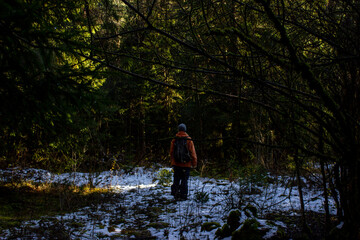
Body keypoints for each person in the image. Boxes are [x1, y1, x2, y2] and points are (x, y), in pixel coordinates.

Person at [170, 123, 197, 200]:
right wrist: (194, 163)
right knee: (184, 180)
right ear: (185, 130)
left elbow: (171, 152)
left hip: (177, 164)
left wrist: (173, 162)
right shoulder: (188, 139)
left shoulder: (174, 139)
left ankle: (175, 194)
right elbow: (192, 152)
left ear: (178, 129)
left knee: (176, 180)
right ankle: (183, 196)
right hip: (186, 164)